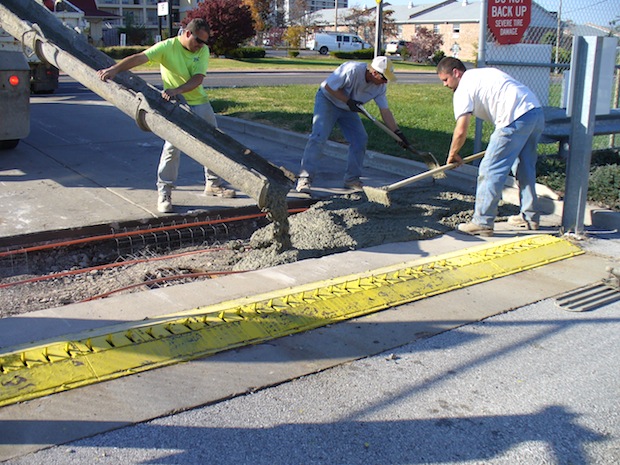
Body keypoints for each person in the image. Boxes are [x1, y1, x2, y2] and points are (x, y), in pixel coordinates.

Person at [97, 18, 235, 214]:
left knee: (214, 141)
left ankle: (213, 184)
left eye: (205, 42)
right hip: (176, 105)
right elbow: (139, 58)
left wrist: (176, 89)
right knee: (173, 147)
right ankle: (164, 193)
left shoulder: (201, 51)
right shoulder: (166, 47)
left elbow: (197, 79)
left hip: (199, 102)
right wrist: (114, 70)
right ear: (187, 34)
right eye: (198, 41)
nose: (201, 46)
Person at [436, 57, 545, 237]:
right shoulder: (484, 73)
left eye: (445, 80)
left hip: (513, 118)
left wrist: (453, 154)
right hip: (534, 112)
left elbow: (461, 130)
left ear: (456, 73)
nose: (445, 85)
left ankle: (482, 222)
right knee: (524, 167)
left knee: (489, 169)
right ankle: (530, 216)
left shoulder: (463, 88)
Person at [296, 56, 410, 193]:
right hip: (328, 100)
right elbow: (329, 87)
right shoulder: (352, 69)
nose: (385, 82)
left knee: (360, 139)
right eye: (384, 78)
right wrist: (349, 101)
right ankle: (304, 179)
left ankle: (352, 180)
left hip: (348, 108)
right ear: (374, 73)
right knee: (318, 137)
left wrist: (397, 133)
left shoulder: (380, 87)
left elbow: (385, 111)